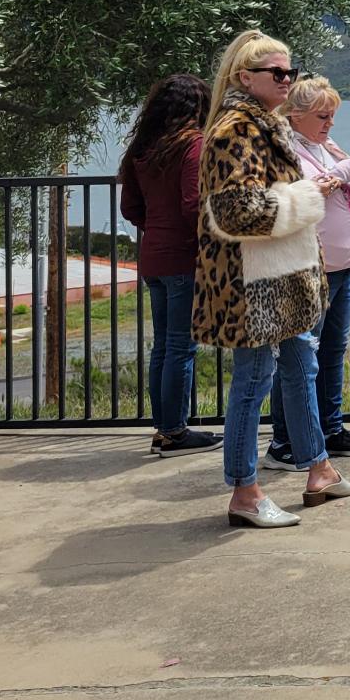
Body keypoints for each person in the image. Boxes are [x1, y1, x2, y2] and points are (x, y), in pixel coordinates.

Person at [192, 32, 350, 528]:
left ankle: (319, 469)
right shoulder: (235, 129)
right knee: (253, 381)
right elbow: (237, 211)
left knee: (299, 367)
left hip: (280, 272)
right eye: (278, 73)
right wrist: (310, 197)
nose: (289, 80)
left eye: (291, 71)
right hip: (253, 280)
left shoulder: (267, 124)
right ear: (246, 77)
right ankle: (244, 491)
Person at [261, 74, 350, 467]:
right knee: (299, 357)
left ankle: (329, 427)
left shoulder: (325, 147)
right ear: (295, 116)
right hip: (309, 265)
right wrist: (349, 168)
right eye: (322, 115)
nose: (329, 123)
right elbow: (313, 187)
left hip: (342, 264)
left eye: (331, 116)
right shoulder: (287, 150)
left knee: (331, 351)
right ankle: (285, 439)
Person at [118, 75, 221, 458]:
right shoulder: (193, 145)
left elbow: (130, 208)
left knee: (163, 345)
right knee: (181, 346)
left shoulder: (142, 149)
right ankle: (176, 432)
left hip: (153, 258)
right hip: (183, 257)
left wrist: (156, 227)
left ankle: (164, 429)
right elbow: (193, 205)